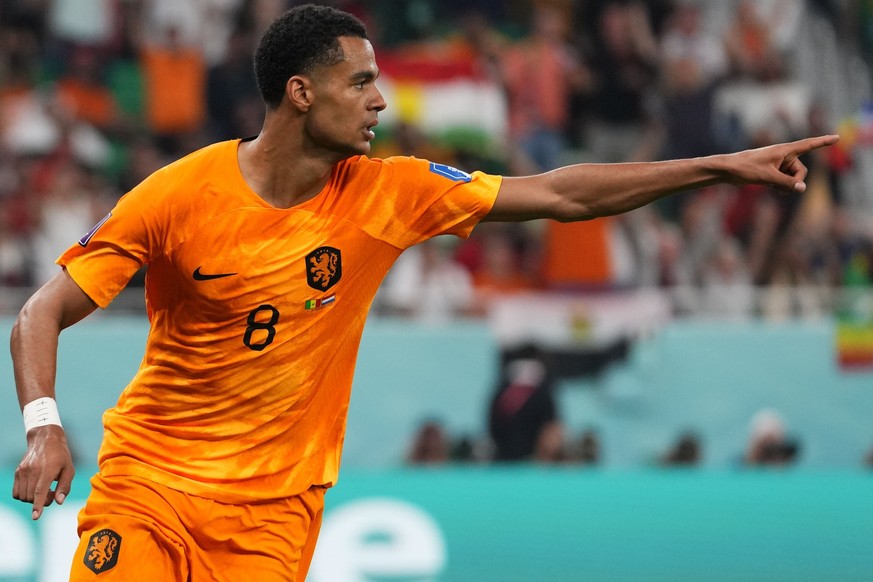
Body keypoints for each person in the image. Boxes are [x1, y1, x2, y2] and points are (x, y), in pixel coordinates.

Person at [9, 4, 838, 581]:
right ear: (300, 93)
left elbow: (560, 194)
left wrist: (714, 167)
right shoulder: (176, 197)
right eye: (360, 83)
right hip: (150, 484)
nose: (380, 101)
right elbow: (39, 313)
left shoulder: (389, 192)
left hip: (273, 513)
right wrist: (44, 427)